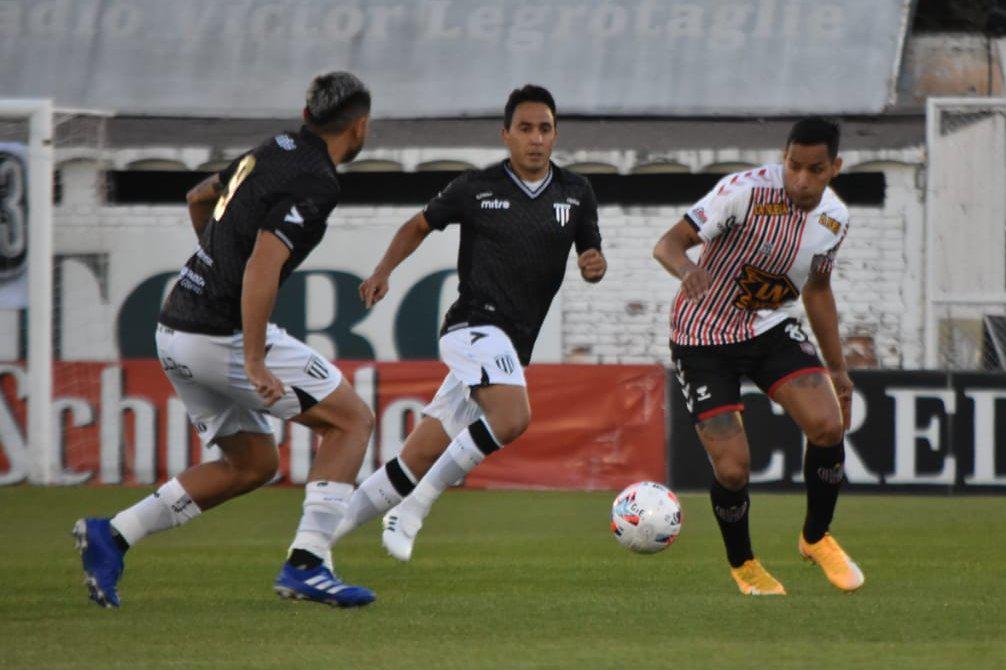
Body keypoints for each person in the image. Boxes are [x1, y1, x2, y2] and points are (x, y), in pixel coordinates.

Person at [73, 72, 377, 609]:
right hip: (219, 337)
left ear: (306, 116)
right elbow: (263, 264)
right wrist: (255, 360)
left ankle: (113, 535)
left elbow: (198, 198)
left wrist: (217, 266)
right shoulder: (317, 180)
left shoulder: (273, 148)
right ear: (359, 127)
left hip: (174, 330)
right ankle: (307, 564)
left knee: (252, 464)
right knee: (351, 421)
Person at [342, 84, 606, 561]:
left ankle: (316, 540)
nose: (536, 138)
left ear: (555, 135)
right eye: (525, 128)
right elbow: (418, 225)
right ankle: (411, 512)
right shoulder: (475, 187)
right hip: (472, 328)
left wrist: (594, 266)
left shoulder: (576, 192)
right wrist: (383, 271)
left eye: (544, 129)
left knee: (416, 458)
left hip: (512, 346)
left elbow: (591, 254)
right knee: (513, 417)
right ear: (506, 134)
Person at [652, 117, 863, 595]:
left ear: (835, 167)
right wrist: (686, 270)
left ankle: (816, 538)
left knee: (828, 426)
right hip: (702, 337)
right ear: (783, 159)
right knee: (732, 468)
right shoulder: (744, 192)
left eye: (814, 169)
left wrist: (838, 369)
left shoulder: (834, 219)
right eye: (793, 166)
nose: (801, 180)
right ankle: (744, 564)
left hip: (769, 329)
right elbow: (668, 244)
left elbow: (818, 290)